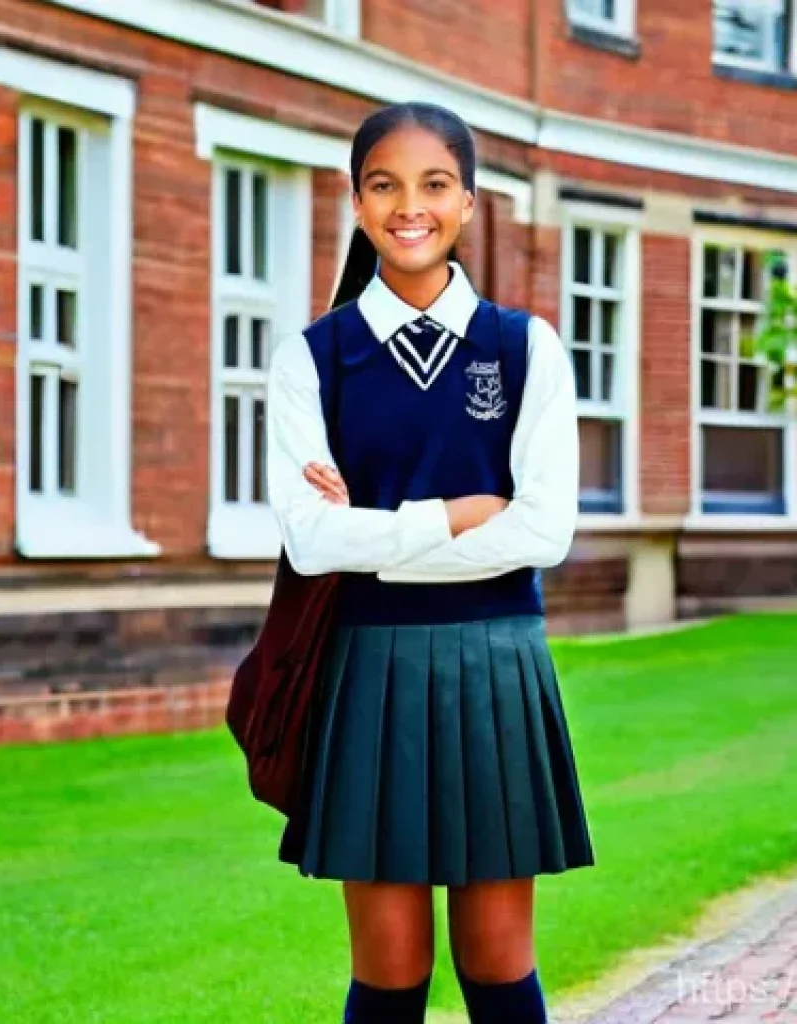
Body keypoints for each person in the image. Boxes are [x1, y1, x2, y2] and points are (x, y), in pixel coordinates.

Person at [264, 102, 595, 1024]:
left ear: (470, 202)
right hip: (368, 673)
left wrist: (375, 537)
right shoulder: (311, 360)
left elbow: (543, 535)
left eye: (434, 184)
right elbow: (310, 541)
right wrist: (449, 517)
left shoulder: (526, 348)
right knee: (389, 972)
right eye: (386, 185)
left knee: (497, 966)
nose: (411, 206)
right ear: (358, 204)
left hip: (497, 667)